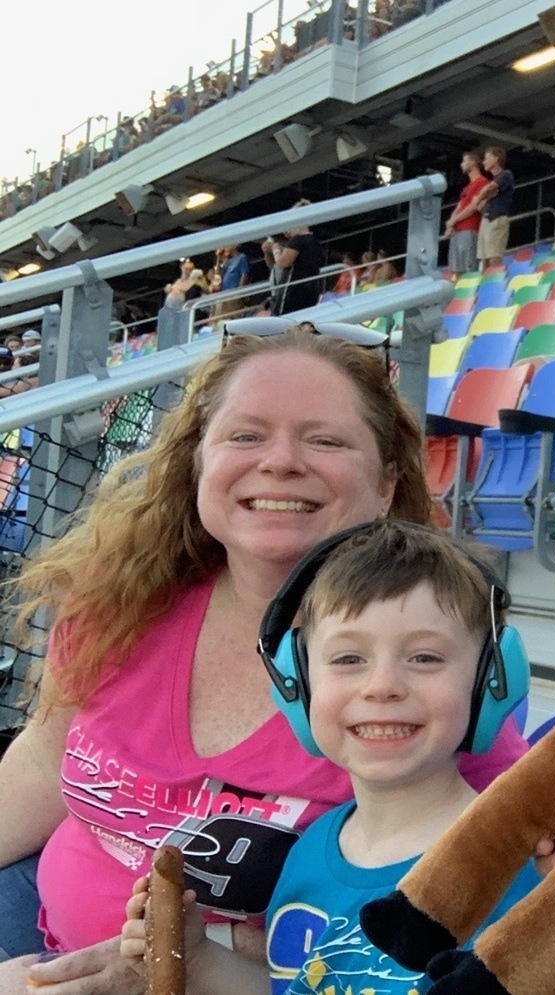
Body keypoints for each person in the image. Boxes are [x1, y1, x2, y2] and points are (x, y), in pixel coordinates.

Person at [0, 329, 525, 988]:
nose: (279, 462)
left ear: (387, 483)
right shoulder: (120, 598)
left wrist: (165, 966)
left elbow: (479, 897)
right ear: (198, 463)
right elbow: (43, 761)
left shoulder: (426, 678)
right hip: (34, 923)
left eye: (324, 440)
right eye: (246, 435)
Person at [119, 521, 536, 995]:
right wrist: (198, 957)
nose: (382, 686)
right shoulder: (312, 848)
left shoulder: (507, 869)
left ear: (491, 680)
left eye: (425, 658)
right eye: (348, 659)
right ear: (298, 685)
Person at [443, 149, 490, 274]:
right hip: (457, 231)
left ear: (472, 163)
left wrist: (453, 221)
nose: (461, 164)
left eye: (464, 161)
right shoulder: (467, 187)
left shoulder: (483, 182)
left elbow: (473, 207)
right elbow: (459, 206)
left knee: (469, 269)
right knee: (455, 270)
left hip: (470, 229)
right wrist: (451, 224)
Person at [273, 204, 324, 315]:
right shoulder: (315, 242)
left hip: (294, 288)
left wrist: (276, 250)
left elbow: (282, 263)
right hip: (312, 288)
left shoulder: (298, 240)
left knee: (283, 317)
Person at [471, 147, 516, 266]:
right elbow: (481, 204)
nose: (484, 162)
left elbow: (489, 189)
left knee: (494, 257)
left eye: (487, 158)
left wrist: (479, 198)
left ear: (496, 159)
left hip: (497, 218)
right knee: (484, 260)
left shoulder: (505, 174)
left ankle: (495, 276)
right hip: (486, 219)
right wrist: (481, 199)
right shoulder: (494, 180)